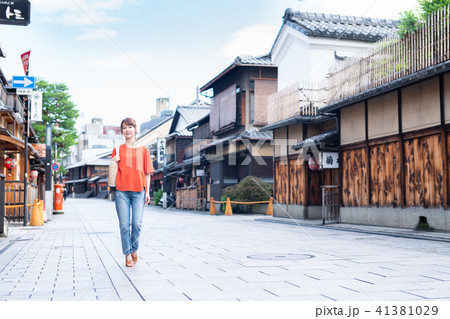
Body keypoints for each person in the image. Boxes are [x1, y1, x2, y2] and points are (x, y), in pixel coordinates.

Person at [111, 118, 154, 267]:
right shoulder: (118, 149)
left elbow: (148, 172)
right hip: (121, 192)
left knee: (136, 224)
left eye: (130, 127)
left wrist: (147, 191)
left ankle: (134, 249)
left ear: (135, 129)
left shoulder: (143, 149)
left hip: (138, 192)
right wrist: (113, 161)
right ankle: (128, 255)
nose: (127, 130)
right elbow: (112, 171)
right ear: (122, 131)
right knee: (124, 225)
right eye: (124, 128)